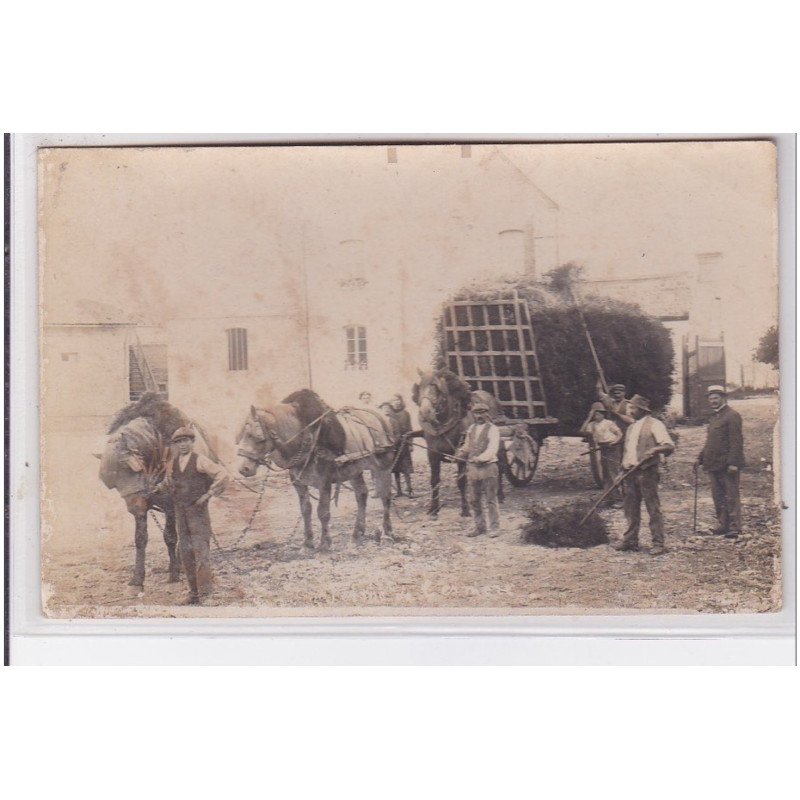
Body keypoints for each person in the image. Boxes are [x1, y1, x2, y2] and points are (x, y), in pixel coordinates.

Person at [157, 426, 229, 604]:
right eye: (179, 442)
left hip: (198, 513)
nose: (182, 445)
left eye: (186, 441)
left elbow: (222, 474)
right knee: (185, 551)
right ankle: (193, 593)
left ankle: (205, 593)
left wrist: (208, 494)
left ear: (192, 442)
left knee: (200, 550)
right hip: (180, 513)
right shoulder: (172, 463)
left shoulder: (200, 460)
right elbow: (168, 483)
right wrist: (154, 490)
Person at [614, 395, 675, 556]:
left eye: (632, 408)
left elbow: (669, 446)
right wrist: (621, 472)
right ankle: (630, 540)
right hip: (630, 473)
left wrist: (655, 450)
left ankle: (658, 543)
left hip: (647, 472)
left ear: (641, 409)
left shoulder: (655, 425)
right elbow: (627, 453)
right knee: (631, 509)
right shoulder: (631, 428)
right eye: (629, 408)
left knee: (653, 508)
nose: (629, 410)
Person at [693, 385, 744, 539]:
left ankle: (734, 527)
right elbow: (711, 442)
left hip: (727, 465)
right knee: (718, 496)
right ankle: (723, 525)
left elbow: (736, 441)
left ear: (723, 398)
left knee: (731, 495)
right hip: (713, 464)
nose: (713, 401)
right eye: (711, 398)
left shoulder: (732, 415)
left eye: (716, 398)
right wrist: (699, 458)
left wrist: (733, 463)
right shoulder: (714, 417)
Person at [456, 401, 501, 538]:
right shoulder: (471, 429)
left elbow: (492, 449)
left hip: (488, 468)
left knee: (491, 500)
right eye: (476, 413)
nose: (479, 416)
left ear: (487, 414)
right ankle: (479, 527)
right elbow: (468, 446)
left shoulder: (493, 429)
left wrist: (480, 458)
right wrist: (461, 453)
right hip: (473, 470)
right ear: (473, 415)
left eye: (482, 413)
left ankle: (494, 528)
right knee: (474, 500)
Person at [580, 401, 623, 505]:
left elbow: (620, 434)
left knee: (614, 473)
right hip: (603, 448)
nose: (596, 416)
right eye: (594, 414)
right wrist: (588, 418)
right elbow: (582, 431)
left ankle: (620, 499)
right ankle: (609, 498)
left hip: (612, 448)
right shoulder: (592, 425)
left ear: (603, 414)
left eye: (598, 413)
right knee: (606, 474)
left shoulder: (608, 423)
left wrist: (614, 442)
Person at [388, 393, 414, 497]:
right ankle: (399, 491)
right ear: (391, 402)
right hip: (394, 444)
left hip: (404, 443)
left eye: (398, 399)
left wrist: (411, 443)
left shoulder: (406, 413)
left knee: (406, 468)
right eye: (394, 400)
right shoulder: (389, 414)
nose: (397, 402)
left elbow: (410, 428)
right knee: (395, 469)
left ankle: (409, 489)